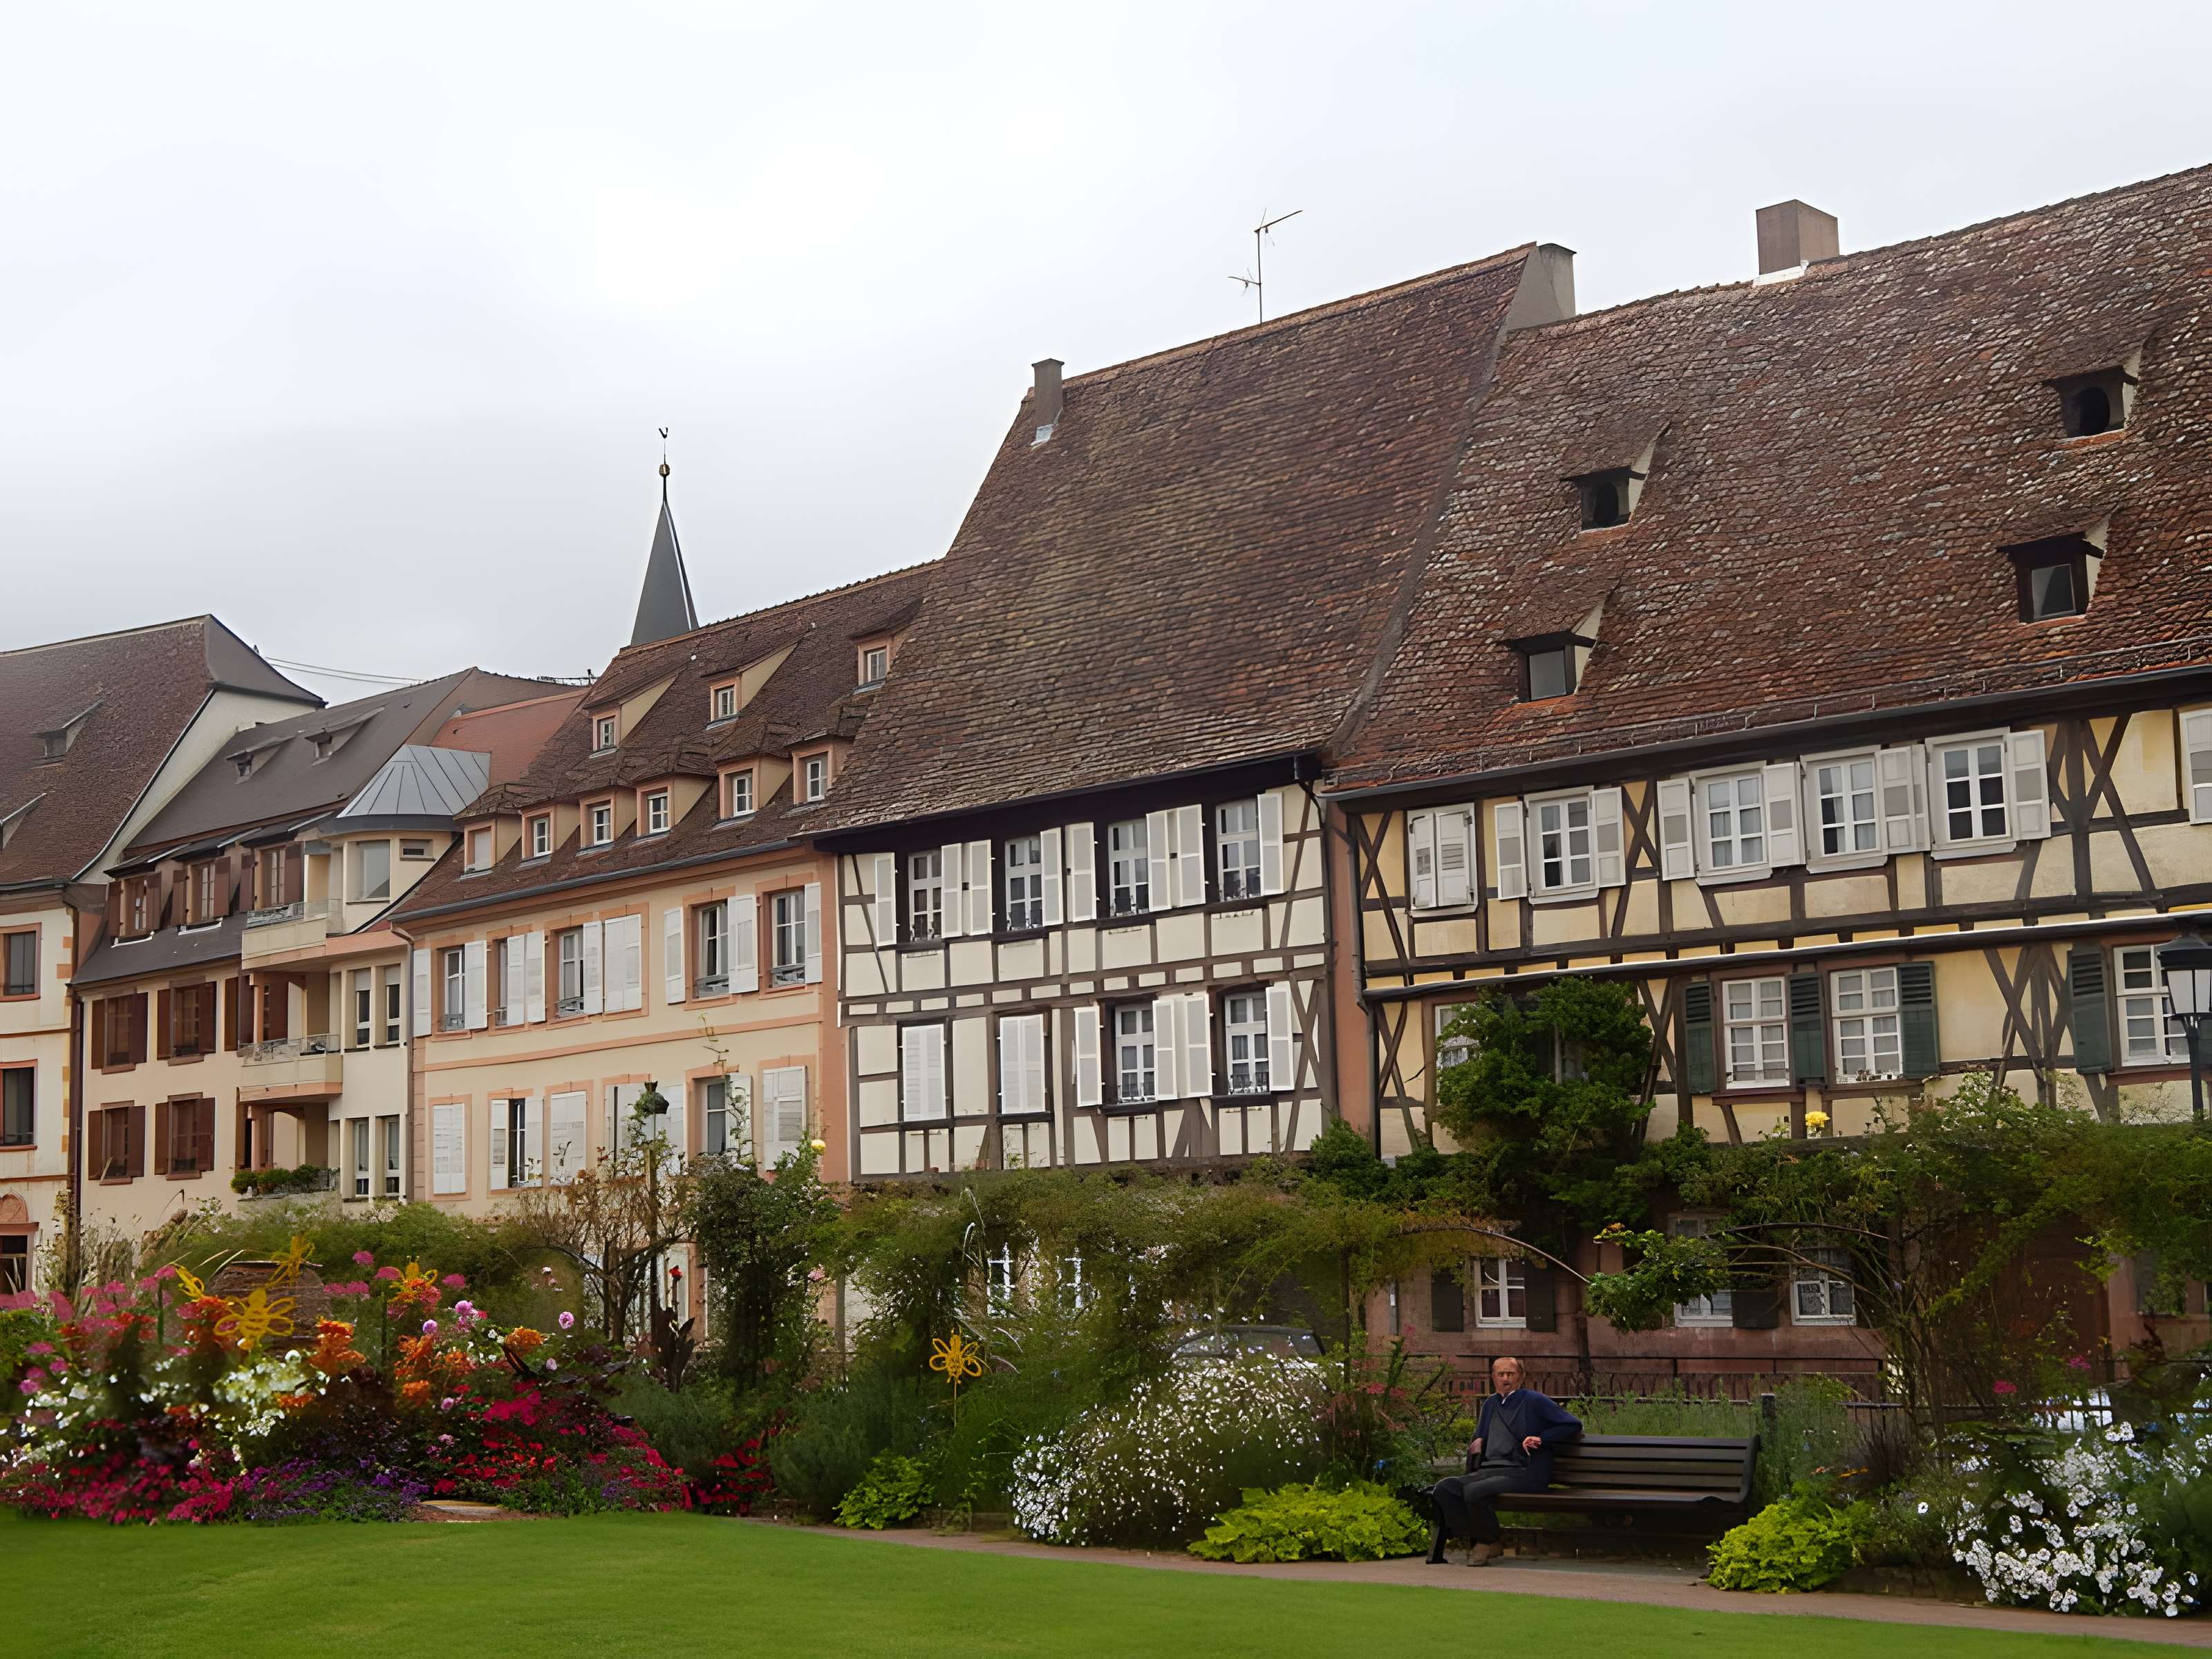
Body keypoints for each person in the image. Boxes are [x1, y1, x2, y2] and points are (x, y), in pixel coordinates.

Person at [1428, 1354, 1580, 1566]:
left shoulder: (1534, 1400)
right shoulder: (1491, 1404)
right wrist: (1476, 1444)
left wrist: (1541, 1439)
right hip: (1490, 1471)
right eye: (1501, 1374)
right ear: (1493, 1377)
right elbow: (1480, 1438)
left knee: (1474, 1491)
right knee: (1445, 1489)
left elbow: (1572, 1424)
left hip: (1524, 1471)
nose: (1506, 1378)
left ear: (1521, 1376)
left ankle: (1484, 1542)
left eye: (1511, 1373)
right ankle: (1489, 1539)